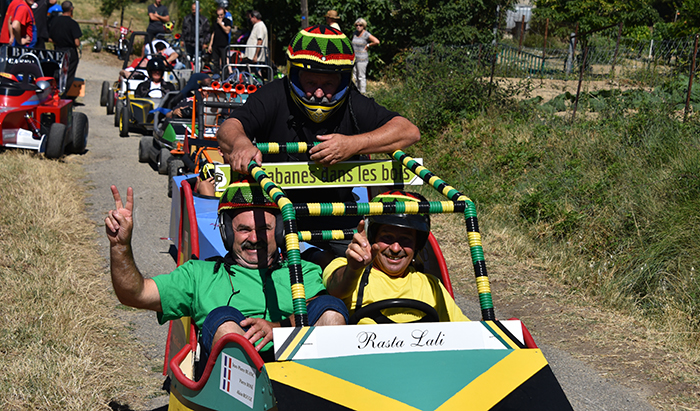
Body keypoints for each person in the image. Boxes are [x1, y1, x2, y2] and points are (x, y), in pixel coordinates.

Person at [216, 25, 420, 258]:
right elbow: (228, 128)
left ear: (343, 81)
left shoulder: (352, 101)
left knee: (360, 264)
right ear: (295, 75)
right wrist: (241, 143)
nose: (320, 93)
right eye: (311, 83)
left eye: (329, 84)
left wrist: (353, 144)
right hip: (275, 210)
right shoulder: (274, 94)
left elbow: (409, 131)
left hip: (337, 213)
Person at [105, 181, 348, 363]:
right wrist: (120, 247)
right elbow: (134, 294)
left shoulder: (301, 269)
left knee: (330, 309)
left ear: (280, 231)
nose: (254, 238)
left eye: (264, 229)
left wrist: (278, 328)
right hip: (231, 386)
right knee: (224, 318)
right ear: (226, 233)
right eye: (243, 229)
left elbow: (324, 309)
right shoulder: (199, 274)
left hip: (303, 374)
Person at [323, 190, 469, 324]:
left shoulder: (431, 285)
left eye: (405, 239)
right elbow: (336, 290)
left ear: (417, 244)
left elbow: (465, 332)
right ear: (372, 237)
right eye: (387, 237)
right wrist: (353, 269)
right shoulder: (347, 267)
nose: (395, 248)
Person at [48, 1, 81, 97]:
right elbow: (77, 43)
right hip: (70, 51)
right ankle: (63, 94)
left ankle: (54, 92)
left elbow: (50, 38)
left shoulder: (54, 21)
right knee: (68, 74)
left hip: (57, 50)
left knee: (57, 72)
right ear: (71, 9)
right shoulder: (73, 23)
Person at [351, 18, 380, 94]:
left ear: (363, 26)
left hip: (362, 59)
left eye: (360, 25)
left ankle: (363, 92)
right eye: (356, 25)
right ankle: (356, 92)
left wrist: (368, 45)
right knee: (355, 76)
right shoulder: (354, 33)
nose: (358, 27)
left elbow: (377, 41)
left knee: (361, 76)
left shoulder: (366, 34)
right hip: (354, 58)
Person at [207, 6, 231, 74]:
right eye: (218, 15)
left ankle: (225, 77)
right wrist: (210, 45)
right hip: (215, 44)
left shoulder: (227, 21)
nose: (219, 17)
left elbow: (227, 30)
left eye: (221, 15)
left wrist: (220, 23)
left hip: (223, 45)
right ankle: (216, 76)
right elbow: (213, 33)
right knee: (216, 62)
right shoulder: (215, 22)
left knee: (224, 62)